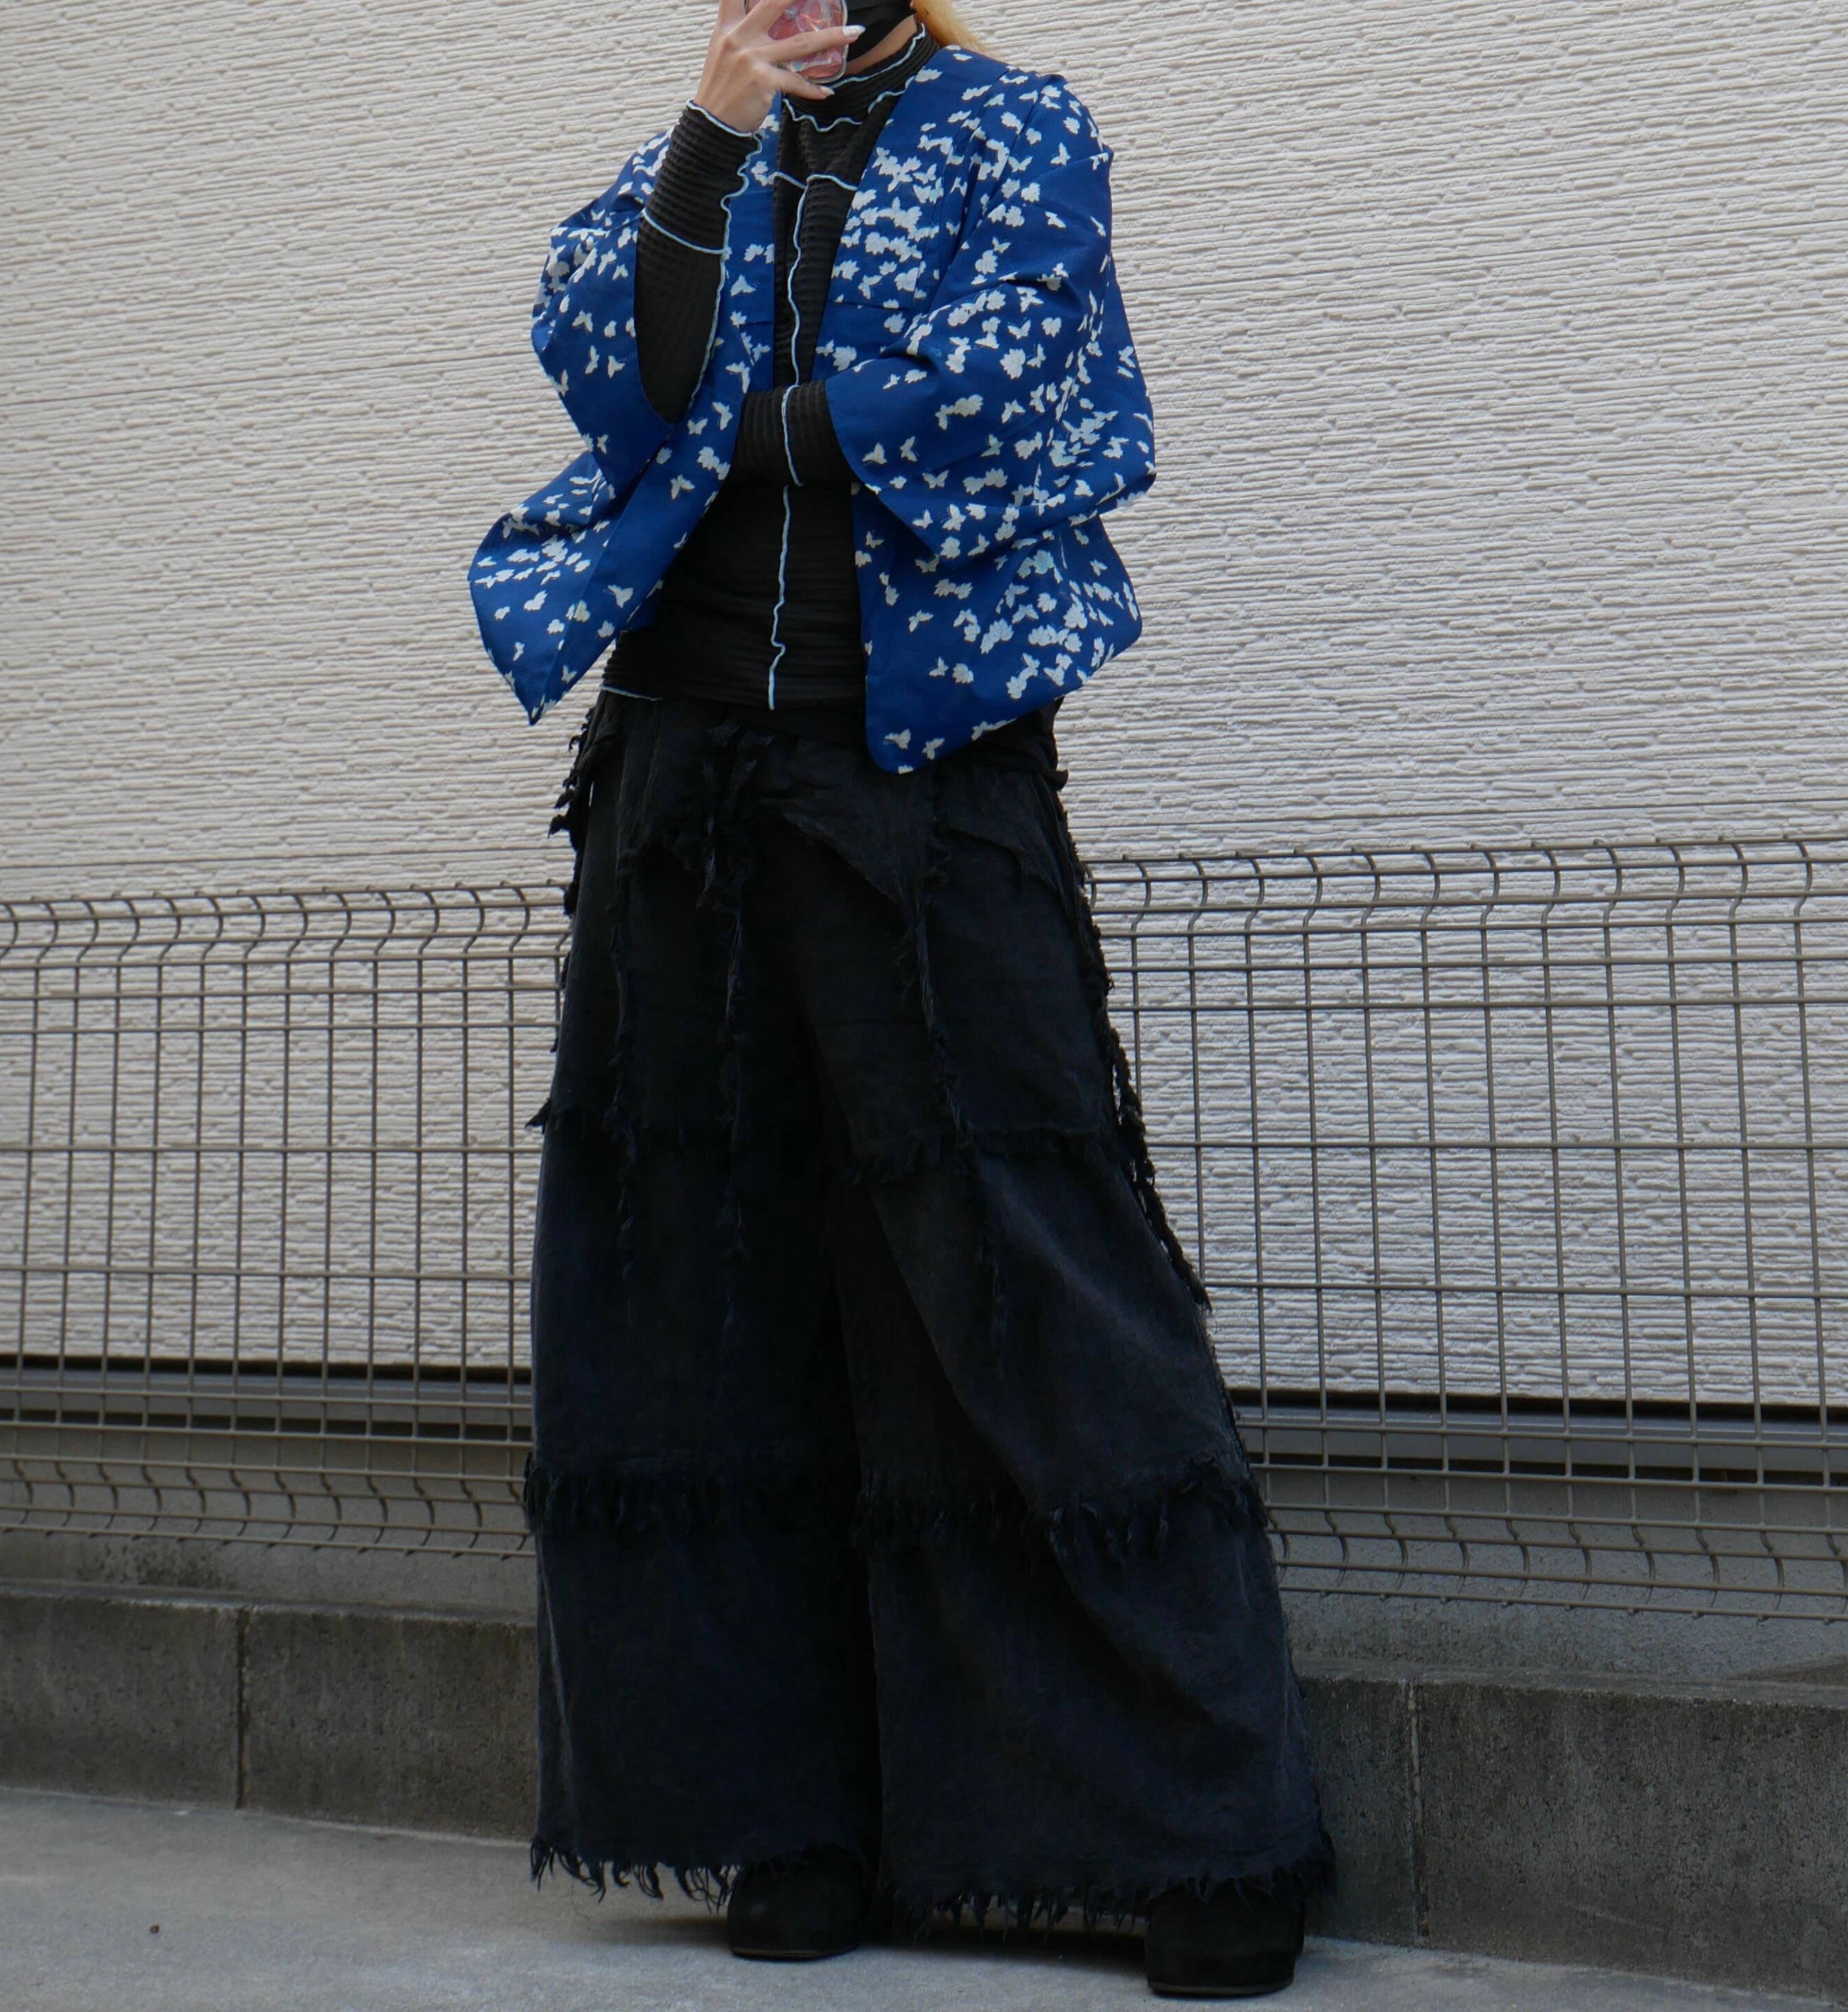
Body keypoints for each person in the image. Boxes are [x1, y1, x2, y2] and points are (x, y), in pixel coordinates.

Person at [468, 0, 1332, 1996]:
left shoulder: (1017, 124)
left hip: (917, 769)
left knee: (1024, 1262)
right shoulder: (696, 147)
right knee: (708, 1281)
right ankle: (795, 1824)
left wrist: (741, 425)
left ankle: (1198, 1839)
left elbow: (1004, 379)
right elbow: (609, 365)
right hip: (680, 774)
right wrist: (709, 140)